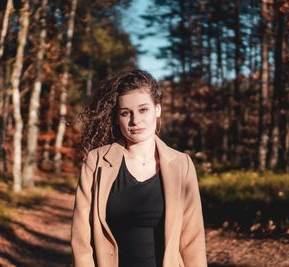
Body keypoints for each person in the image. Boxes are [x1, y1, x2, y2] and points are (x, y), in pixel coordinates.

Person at [71, 69, 207, 267]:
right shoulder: (97, 161)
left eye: (143, 110)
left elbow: (192, 240)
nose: (135, 121)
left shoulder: (182, 164)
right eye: (126, 113)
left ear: (157, 110)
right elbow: (81, 237)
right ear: (117, 118)